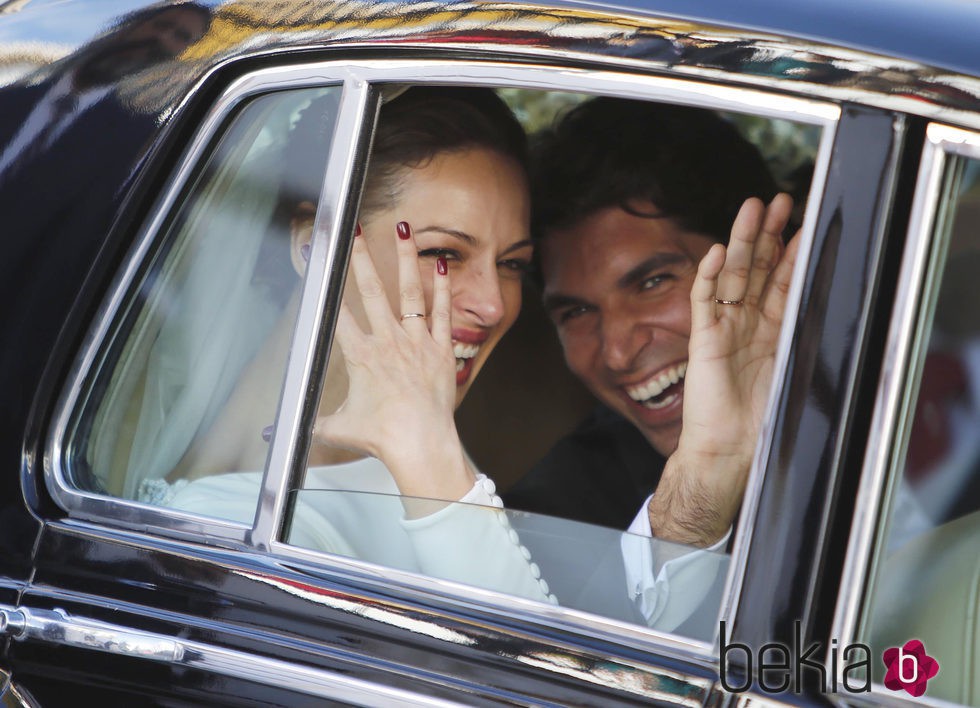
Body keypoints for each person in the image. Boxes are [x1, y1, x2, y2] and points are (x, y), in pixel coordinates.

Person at [144, 86, 555, 604]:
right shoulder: (230, 525)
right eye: (443, 253)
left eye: (512, 263)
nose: (493, 305)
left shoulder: (416, 438)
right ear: (313, 245)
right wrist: (428, 453)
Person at [504, 97, 800, 615]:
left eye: (653, 281)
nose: (617, 352)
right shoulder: (553, 521)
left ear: (762, 262)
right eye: (575, 312)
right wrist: (695, 504)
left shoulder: (928, 393)